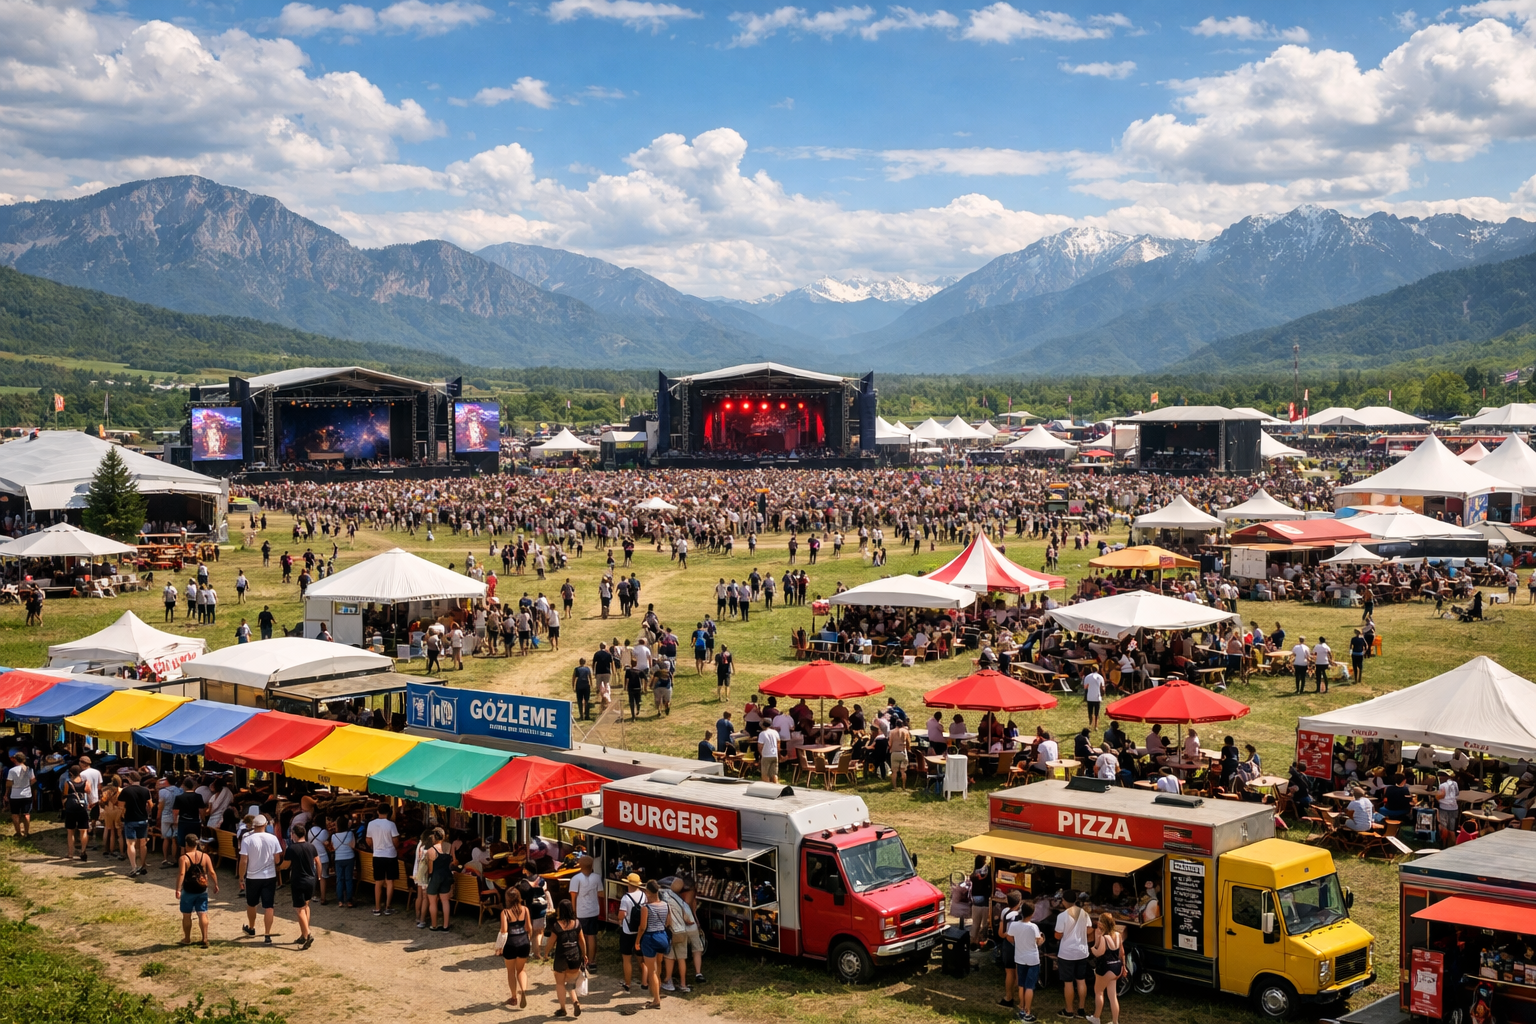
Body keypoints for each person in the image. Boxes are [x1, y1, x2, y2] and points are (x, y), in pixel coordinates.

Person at [238, 814, 283, 944]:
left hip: (253, 876)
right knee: (269, 906)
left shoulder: (247, 839)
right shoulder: (273, 838)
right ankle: (267, 934)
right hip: (269, 875)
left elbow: (243, 861)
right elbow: (277, 859)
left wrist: (241, 877)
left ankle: (251, 927)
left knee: (252, 903)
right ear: (265, 825)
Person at [281, 824, 321, 949]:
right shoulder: (311, 846)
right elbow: (318, 862)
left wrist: (276, 866)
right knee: (306, 906)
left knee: (299, 909)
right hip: (311, 880)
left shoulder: (292, 849)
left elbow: (285, 866)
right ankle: (303, 935)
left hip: (298, 880)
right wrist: (318, 877)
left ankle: (308, 933)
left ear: (294, 834)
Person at [175, 835, 219, 947]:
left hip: (188, 890)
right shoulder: (205, 856)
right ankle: (205, 938)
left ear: (186, 844)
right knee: (202, 913)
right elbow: (212, 872)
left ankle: (187, 938)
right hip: (202, 889)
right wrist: (215, 884)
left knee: (186, 915)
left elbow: (181, 874)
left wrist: (178, 889)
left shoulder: (184, 858)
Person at [1055, 892, 1093, 1019]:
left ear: (1064, 901)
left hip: (1067, 953)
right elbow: (1089, 930)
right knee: (1081, 980)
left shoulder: (1062, 916)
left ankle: (1069, 1010)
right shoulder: (1084, 913)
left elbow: (1058, 935)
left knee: (1068, 982)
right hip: (1082, 951)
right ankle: (1081, 1009)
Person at [546, 897, 586, 1017]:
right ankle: (575, 1001)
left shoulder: (557, 926)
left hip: (561, 958)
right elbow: (582, 941)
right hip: (575, 957)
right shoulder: (577, 923)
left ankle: (563, 1009)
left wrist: (546, 953)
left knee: (560, 984)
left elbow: (551, 942)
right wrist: (584, 955)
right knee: (570, 983)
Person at [1008, 897, 1045, 1023]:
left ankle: (1022, 1008)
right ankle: (1027, 1012)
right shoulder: (1033, 927)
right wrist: (1042, 939)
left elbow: (1010, 937)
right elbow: (1038, 941)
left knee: (1021, 985)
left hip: (1019, 957)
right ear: (1032, 913)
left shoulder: (1014, 925)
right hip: (1033, 959)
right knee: (1030, 986)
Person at [660, 877, 699, 993]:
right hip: (683, 931)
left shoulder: (665, 896)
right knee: (682, 959)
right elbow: (688, 917)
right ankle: (683, 984)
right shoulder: (681, 901)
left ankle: (668, 981)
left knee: (669, 958)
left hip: (672, 932)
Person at [497, 886, 533, 1009]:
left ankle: (513, 997)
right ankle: (523, 990)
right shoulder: (526, 910)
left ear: (507, 898)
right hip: (524, 942)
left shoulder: (505, 912)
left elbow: (504, 930)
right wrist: (528, 940)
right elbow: (529, 927)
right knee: (521, 970)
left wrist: (499, 945)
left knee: (511, 971)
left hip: (511, 943)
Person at [638, 879, 671, 1009]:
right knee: (659, 965)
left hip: (650, 938)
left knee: (651, 971)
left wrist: (637, 941)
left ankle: (656, 1000)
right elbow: (668, 922)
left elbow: (642, 927)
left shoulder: (646, 908)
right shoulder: (665, 904)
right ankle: (658, 991)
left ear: (648, 892)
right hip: (662, 936)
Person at [568, 854, 603, 968]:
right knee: (592, 936)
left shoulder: (576, 878)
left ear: (580, 865)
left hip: (581, 911)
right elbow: (601, 893)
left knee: (581, 936)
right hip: (594, 910)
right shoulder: (597, 877)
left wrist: (573, 911)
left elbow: (573, 896)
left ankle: (583, 959)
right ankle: (592, 961)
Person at [366, 803, 400, 915]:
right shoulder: (391, 825)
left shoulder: (371, 824)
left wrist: (374, 846)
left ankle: (377, 908)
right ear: (389, 812)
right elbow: (396, 841)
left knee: (378, 882)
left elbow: (368, 840)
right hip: (390, 855)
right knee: (390, 881)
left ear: (377, 812)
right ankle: (387, 906)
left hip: (377, 855)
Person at [1090, 912, 1123, 1024]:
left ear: (1103, 924)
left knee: (1099, 992)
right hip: (1117, 967)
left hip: (1106, 967)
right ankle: (1115, 1021)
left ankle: (1096, 1017)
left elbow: (1099, 952)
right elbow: (1121, 952)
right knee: (1113, 996)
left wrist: (1092, 948)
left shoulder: (1105, 938)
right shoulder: (1118, 935)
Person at [618, 872, 645, 994]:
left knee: (627, 959)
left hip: (627, 931)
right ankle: (646, 982)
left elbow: (621, 915)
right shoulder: (644, 896)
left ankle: (627, 984)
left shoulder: (625, 898)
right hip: (640, 931)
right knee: (641, 959)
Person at [425, 827, 455, 932]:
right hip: (447, 875)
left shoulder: (431, 851)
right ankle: (446, 926)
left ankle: (434, 925)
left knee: (433, 902)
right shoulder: (449, 847)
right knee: (445, 901)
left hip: (436, 875)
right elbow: (452, 862)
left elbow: (430, 870)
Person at [62, 765, 91, 862]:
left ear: (70, 773)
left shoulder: (68, 783)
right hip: (81, 807)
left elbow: (65, 794)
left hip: (71, 808)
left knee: (70, 832)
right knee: (83, 831)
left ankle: (70, 853)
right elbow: (88, 791)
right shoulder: (85, 782)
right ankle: (83, 851)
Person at [330, 813, 357, 908]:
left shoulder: (334, 836)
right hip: (349, 858)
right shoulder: (350, 834)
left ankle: (340, 901)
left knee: (339, 880)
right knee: (349, 879)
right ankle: (349, 901)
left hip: (338, 859)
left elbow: (333, 847)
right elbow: (353, 846)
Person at [6, 753, 33, 839]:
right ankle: (26, 832)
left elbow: (9, 783)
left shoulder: (12, 770)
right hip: (27, 794)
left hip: (15, 795)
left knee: (15, 814)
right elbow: (33, 780)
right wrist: (27, 785)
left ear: (15, 759)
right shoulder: (29, 769)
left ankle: (18, 832)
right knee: (26, 814)